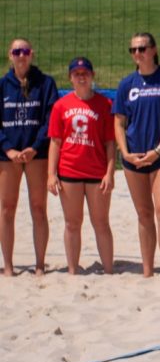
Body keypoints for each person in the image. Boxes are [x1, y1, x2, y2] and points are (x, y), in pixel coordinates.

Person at [114, 32, 160, 283]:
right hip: (134, 156)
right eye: (133, 49)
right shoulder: (127, 84)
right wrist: (124, 153)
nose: (137, 53)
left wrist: (158, 150)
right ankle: (147, 270)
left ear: (154, 50)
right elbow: (119, 122)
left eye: (142, 48)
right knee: (144, 214)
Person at [46, 57, 115, 275]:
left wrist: (110, 173)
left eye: (85, 73)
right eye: (77, 74)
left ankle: (109, 270)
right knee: (72, 223)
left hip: (97, 171)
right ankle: (73, 270)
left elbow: (110, 143)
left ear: (92, 76)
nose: (81, 76)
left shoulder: (105, 105)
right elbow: (55, 142)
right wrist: (51, 174)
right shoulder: (60, 106)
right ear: (70, 78)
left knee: (101, 223)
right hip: (69, 171)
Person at [0, 38, 58, 276]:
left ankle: (40, 264)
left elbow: (50, 120)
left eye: (24, 51)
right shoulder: (3, 85)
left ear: (32, 54)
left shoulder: (45, 83)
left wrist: (35, 147)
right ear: (9, 55)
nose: (21, 55)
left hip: (36, 153)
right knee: (6, 209)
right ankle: (9, 265)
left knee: (38, 208)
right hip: (8, 155)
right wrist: (8, 149)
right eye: (16, 51)